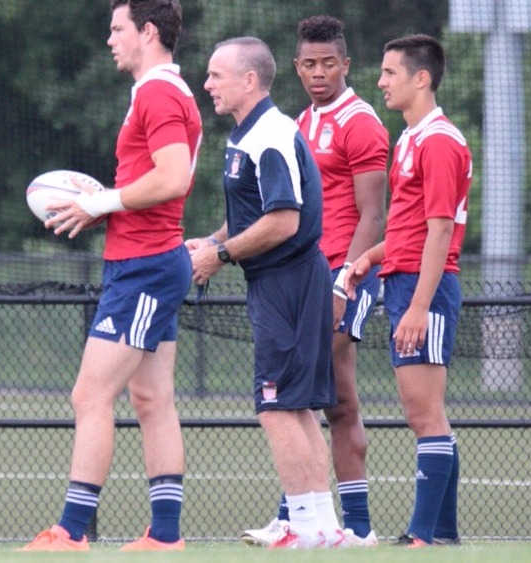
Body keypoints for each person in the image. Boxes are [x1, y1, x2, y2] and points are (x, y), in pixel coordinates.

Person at [21, 0, 202, 552]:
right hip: (148, 260)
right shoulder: (163, 92)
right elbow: (162, 178)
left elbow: (173, 178)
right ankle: (165, 536)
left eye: (117, 29)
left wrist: (104, 202)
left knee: (90, 395)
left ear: (147, 32)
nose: (109, 40)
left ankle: (72, 531)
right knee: (152, 399)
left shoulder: (158, 92)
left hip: (145, 267)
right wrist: (107, 205)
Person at [188, 36, 343, 549]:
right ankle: (322, 528)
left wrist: (221, 256)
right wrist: (212, 241)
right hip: (281, 282)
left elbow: (282, 220)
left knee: (275, 405)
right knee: (295, 406)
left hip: (289, 282)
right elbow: (251, 214)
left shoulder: (270, 134)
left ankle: (302, 525)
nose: (207, 84)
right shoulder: (247, 134)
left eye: (216, 75)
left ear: (249, 80)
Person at [240, 15, 386, 548]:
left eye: (329, 63)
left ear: (346, 64)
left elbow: (373, 217)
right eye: (309, 64)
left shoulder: (362, 122)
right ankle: (328, 524)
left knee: (313, 395)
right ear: (296, 66)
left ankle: (329, 523)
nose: (319, 73)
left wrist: (343, 282)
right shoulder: (298, 122)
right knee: (324, 398)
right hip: (305, 277)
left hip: (343, 277)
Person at [344, 33, 471, 547]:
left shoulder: (439, 140)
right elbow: (407, 226)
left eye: (390, 72)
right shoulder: (412, 139)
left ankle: (422, 535)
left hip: (425, 290)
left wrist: (419, 305)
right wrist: (367, 259)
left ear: (421, 79)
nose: (380, 82)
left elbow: (441, 230)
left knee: (423, 413)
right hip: (403, 283)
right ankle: (442, 534)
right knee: (427, 412)